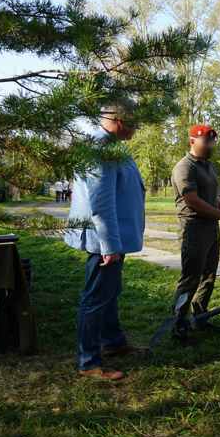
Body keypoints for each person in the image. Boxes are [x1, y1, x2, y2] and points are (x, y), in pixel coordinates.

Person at [64, 100, 146, 381]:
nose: (138, 128)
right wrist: (109, 246)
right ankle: (88, 362)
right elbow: (100, 202)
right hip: (104, 240)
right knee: (96, 299)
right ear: (121, 120)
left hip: (110, 239)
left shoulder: (109, 144)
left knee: (110, 293)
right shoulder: (101, 148)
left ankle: (113, 343)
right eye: (136, 122)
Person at [171, 125, 220, 347]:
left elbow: (212, 197)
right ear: (192, 141)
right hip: (194, 229)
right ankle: (177, 327)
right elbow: (193, 201)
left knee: (208, 276)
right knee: (190, 279)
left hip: (211, 228)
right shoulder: (185, 167)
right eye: (206, 141)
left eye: (212, 141)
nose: (210, 145)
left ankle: (200, 318)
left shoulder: (209, 166)